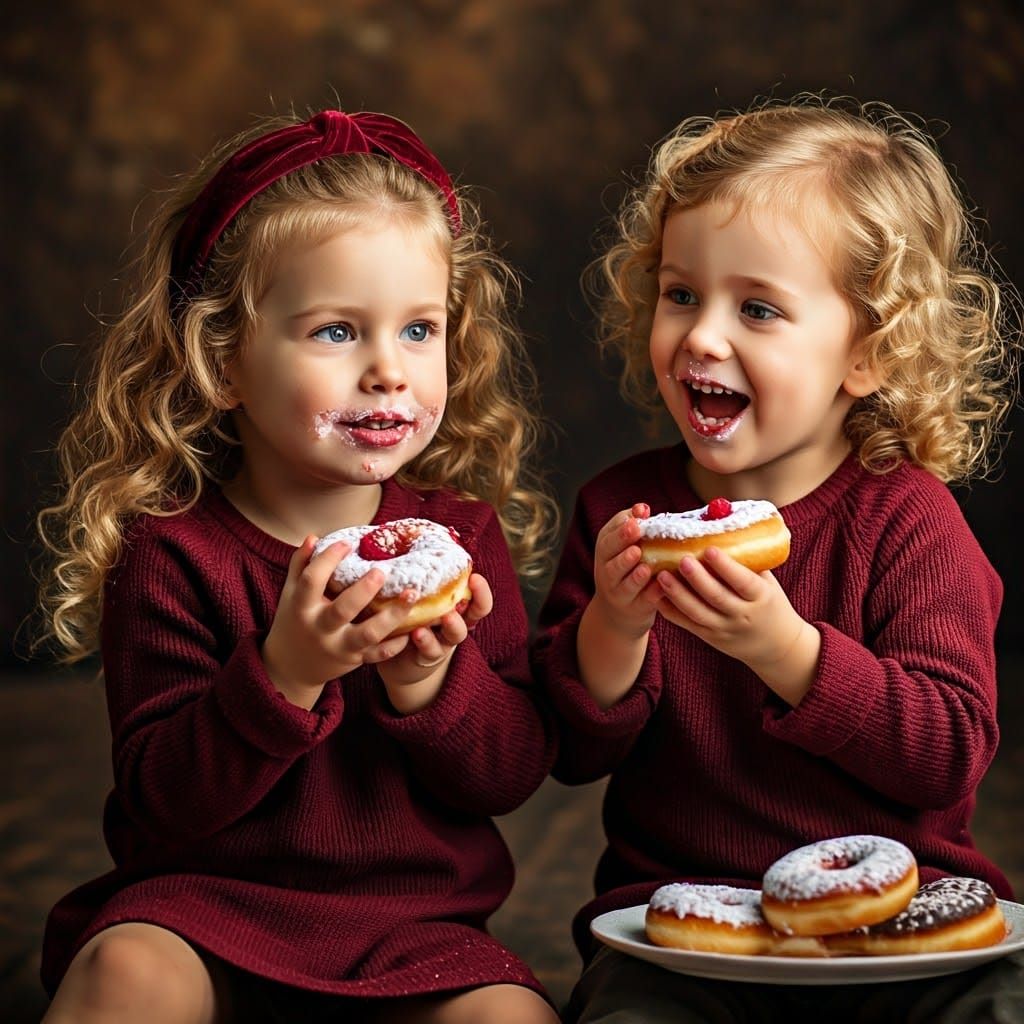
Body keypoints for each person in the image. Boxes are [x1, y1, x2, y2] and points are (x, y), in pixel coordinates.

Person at [36, 108, 560, 1023]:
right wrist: (288, 673)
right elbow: (163, 803)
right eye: (334, 332)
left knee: (507, 1018)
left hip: (411, 933)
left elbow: (507, 775)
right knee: (127, 971)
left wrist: (433, 681)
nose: (388, 372)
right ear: (223, 360)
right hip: (209, 914)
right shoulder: (173, 554)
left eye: (419, 331)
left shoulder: (460, 541)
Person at [532, 96, 1024, 1021]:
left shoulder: (910, 521)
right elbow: (568, 749)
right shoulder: (622, 513)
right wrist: (614, 623)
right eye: (682, 294)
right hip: (684, 935)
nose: (703, 336)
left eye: (757, 307)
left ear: (868, 353)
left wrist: (785, 651)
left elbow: (946, 753)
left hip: (901, 935)